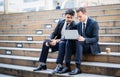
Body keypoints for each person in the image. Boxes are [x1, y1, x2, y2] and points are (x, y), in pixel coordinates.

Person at [60, 7, 101, 75]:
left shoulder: (93, 23)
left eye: (80, 16)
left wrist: (84, 39)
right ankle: (67, 66)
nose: (79, 18)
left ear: (85, 14)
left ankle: (78, 67)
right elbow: (72, 34)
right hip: (80, 46)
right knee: (69, 42)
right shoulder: (79, 24)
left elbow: (96, 39)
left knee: (79, 41)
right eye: (77, 17)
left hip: (90, 47)